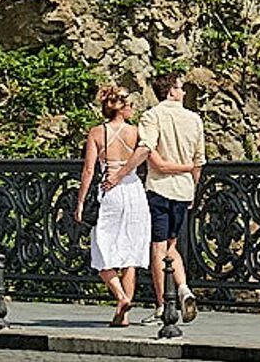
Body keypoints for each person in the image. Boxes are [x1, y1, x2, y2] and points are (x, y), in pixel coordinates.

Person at [77, 86, 153, 326]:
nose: (132, 108)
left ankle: (121, 298)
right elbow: (146, 153)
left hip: (111, 191)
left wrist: (80, 202)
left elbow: (89, 170)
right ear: (120, 107)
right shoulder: (135, 132)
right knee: (130, 253)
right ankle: (125, 313)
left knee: (101, 250)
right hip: (134, 190)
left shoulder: (97, 133)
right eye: (129, 104)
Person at [141, 69, 205, 322]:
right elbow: (199, 161)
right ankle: (184, 289)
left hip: (159, 188)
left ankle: (162, 305)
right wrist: (193, 184)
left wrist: (174, 167)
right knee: (172, 245)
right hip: (183, 189)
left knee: (158, 248)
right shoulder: (194, 119)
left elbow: (155, 162)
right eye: (180, 87)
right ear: (171, 91)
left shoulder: (151, 116)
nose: (184, 91)